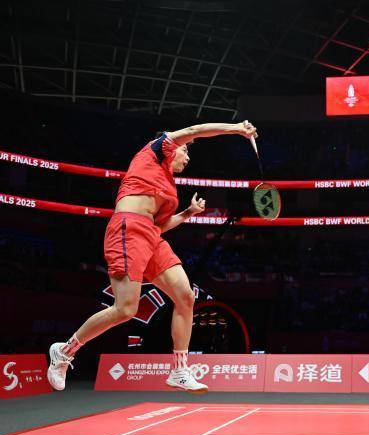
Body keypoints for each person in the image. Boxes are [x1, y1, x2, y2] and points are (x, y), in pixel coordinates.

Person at [46, 121, 258, 393]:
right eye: (186, 152)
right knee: (126, 309)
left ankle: (179, 370)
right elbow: (192, 132)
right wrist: (236, 129)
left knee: (185, 296)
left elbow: (158, 226)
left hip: (151, 235)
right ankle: (65, 351)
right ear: (174, 147)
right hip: (128, 228)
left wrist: (187, 213)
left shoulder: (169, 185)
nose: (188, 158)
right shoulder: (154, 151)